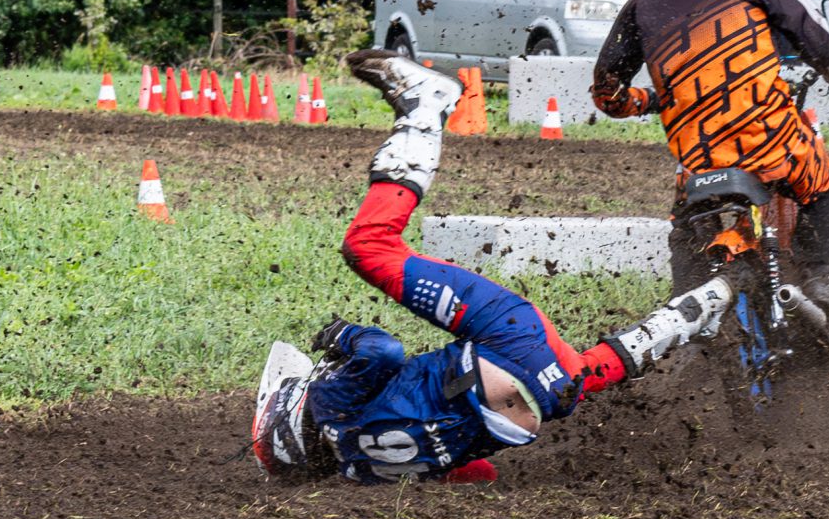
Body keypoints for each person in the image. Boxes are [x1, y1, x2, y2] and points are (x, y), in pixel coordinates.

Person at [250, 50, 736, 485]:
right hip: (508, 342)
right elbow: (383, 352)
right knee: (367, 246)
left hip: (544, 403)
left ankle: (711, 301)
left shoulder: (364, 471)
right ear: (289, 419)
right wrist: (340, 336)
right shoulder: (328, 409)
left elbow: (482, 472)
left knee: (579, 374)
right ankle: (424, 106)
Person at [590, 0, 829, 310]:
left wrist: (647, 100)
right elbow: (809, 31)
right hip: (772, 144)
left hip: (699, 163)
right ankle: (820, 277)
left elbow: (607, 92)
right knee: (824, 186)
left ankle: (685, 312)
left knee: (684, 226)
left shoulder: (639, 3)